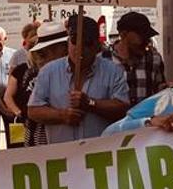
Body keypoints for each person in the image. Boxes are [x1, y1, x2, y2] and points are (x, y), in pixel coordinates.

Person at [27, 14, 130, 143]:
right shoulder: (48, 72)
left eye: (87, 43)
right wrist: (62, 116)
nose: (80, 48)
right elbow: (33, 110)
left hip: (100, 154)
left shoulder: (113, 72)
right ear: (68, 41)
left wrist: (91, 104)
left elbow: (122, 108)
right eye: (75, 40)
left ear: (97, 46)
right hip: (63, 156)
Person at [6, 22, 69, 147]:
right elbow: (34, 110)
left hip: (63, 138)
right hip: (40, 139)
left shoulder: (71, 72)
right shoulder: (34, 75)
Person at [100, 12, 167, 105]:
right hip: (115, 119)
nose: (146, 41)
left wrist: (167, 89)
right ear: (124, 35)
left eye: (147, 37)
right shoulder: (104, 60)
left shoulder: (154, 59)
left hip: (145, 118)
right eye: (141, 37)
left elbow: (159, 92)